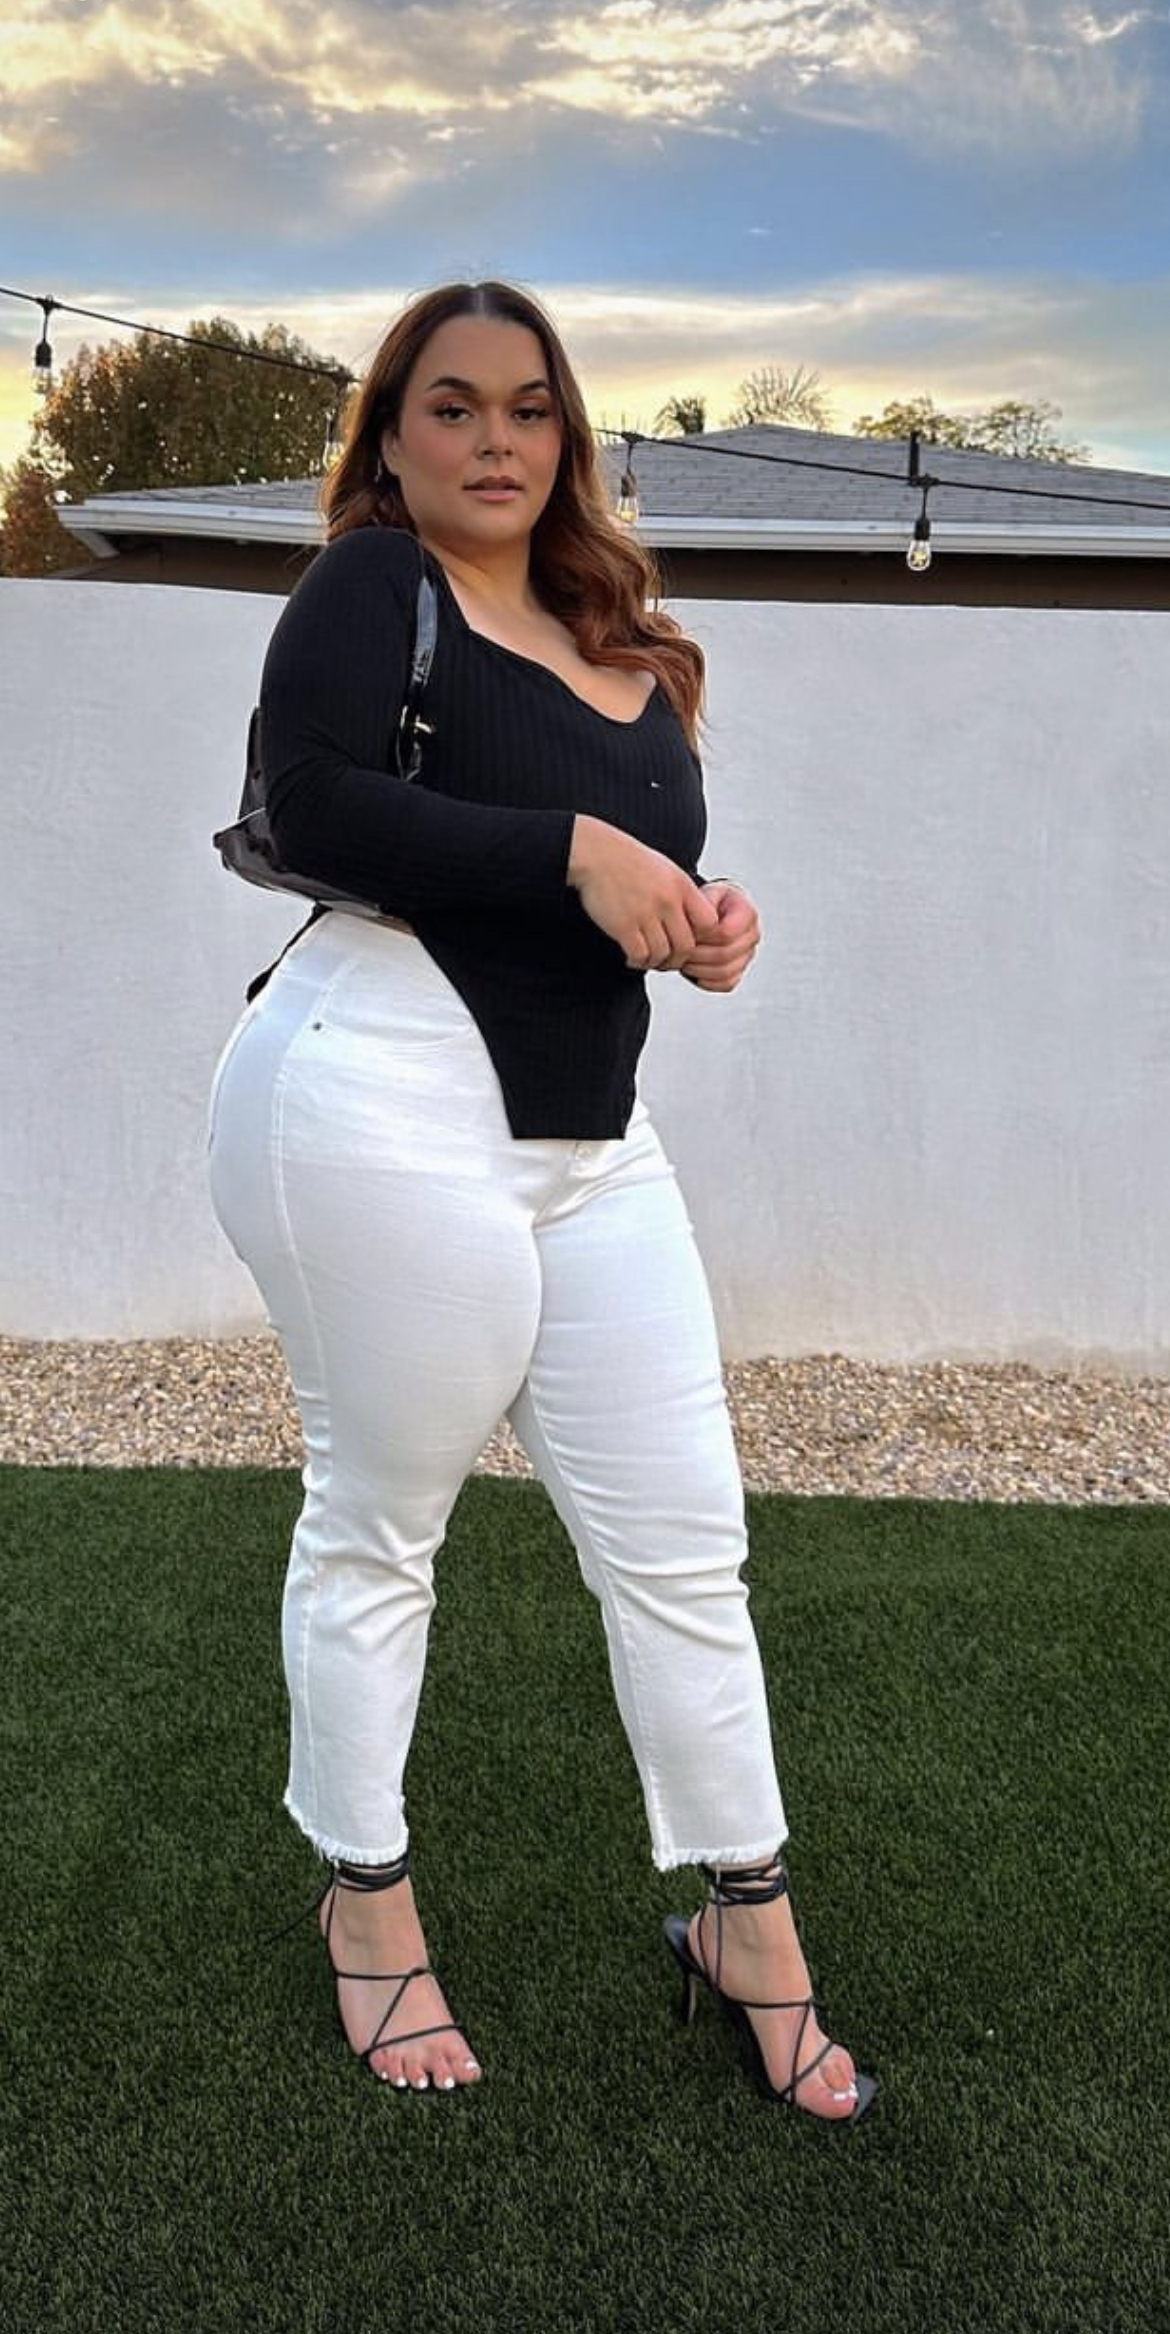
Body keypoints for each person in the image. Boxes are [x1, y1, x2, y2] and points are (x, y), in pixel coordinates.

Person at [207, 279, 875, 2125]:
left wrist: (698, 922)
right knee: (382, 1521)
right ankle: (367, 1903)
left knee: (685, 1541)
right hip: (375, 1095)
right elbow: (308, 805)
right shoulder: (373, 586)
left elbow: (631, 875)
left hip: (594, 1139)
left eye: (527, 407)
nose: (493, 439)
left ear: (568, 435)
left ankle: (748, 1918)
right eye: (451, 405)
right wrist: (571, 850)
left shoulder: (624, 641)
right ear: (391, 434)